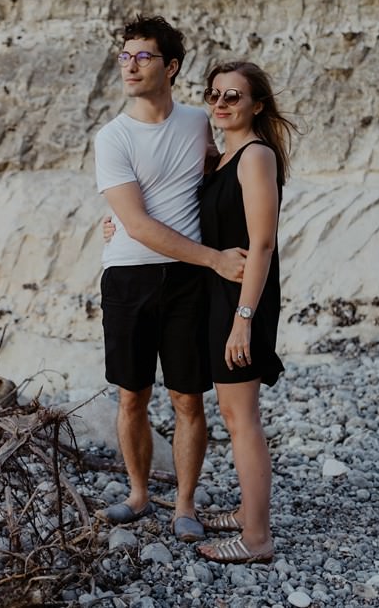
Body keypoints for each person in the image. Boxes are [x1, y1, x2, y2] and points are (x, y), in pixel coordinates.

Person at [107, 61, 295, 564]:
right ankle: (246, 512)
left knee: (242, 419)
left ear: (258, 104)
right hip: (219, 294)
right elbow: (170, 201)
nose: (220, 104)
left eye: (234, 97)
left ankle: (257, 538)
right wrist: (118, 225)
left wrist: (244, 320)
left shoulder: (255, 156)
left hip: (242, 298)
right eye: (214, 95)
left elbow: (262, 246)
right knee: (235, 414)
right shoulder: (225, 153)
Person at [93, 14, 247, 543]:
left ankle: (184, 503)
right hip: (129, 277)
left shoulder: (198, 123)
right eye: (125, 56)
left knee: (187, 398)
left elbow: (228, 167)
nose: (131, 66)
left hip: (185, 281)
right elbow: (135, 223)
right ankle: (137, 496)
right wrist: (215, 259)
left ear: (171, 66)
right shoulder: (111, 137)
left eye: (143, 57)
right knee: (132, 395)